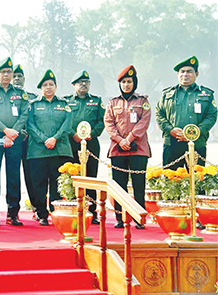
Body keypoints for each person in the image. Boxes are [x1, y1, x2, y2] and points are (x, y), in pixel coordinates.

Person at [0, 58, 29, 226]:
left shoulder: (20, 93)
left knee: (14, 175)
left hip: (14, 138)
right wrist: (5, 130)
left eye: (9, 72)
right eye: (3, 72)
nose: (6, 75)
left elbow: (24, 114)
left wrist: (12, 133)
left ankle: (12, 213)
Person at [104, 65, 151, 229]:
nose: (126, 85)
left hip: (138, 148)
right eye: (123, 82)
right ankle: (120, 218)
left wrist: (129, 139)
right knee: (119, 185)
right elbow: (108, 123)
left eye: (129, 81)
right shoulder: (113, 102)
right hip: (118, 149)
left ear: (134, 82)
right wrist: (119, 140)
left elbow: (144, 122)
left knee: (139, 184)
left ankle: (139, 218)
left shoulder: (143, 101)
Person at [26, 69, 72, 226]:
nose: (48, 88)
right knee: (38, 183)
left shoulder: (64, 104)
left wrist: (55, 138)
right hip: (38, 151)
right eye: (45, 85)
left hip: (59, 150)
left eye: (51, 84)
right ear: (40, 88)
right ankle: (41, 213)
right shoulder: (33, 105)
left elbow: (68, 123)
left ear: (56, 86)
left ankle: (55, 212)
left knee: (56, 184)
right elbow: (30, 125)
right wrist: (44, 139)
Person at [156, 56, 216, 170]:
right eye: (182, 71)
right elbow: (159, 114)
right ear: (178, 74)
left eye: (189, 71)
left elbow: (211, 116)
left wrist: (195, 132)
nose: (185, 74)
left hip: (197, 143)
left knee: (197, 181)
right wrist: (170, 129)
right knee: (171, 182)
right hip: (172, 143)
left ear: (196, 74)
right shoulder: (167, 94)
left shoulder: (206, 94)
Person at [65, 70, 105, 225]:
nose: (83, 85)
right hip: (71, 142)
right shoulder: (67, 101)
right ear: (74, 85)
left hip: (91, 143)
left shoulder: (96, 101)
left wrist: (92, 134)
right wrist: (72, 134)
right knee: (72, 176)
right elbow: (64, 120)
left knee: (90, 177)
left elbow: (102, 121)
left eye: (86, 82)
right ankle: (72, 208)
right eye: (80, 82)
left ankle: (91, 211)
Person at [12, 65, 38, 220]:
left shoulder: (32, 97)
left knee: (31, 175)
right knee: (13, 175)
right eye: (14, 76)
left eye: (19, 76)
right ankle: (13, 210)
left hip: (29, 141)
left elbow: (35, 118)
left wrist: (27, 131)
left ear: (24, 79)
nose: (16, 79)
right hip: (11, 139)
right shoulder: (6, 95)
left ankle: (36, 207)